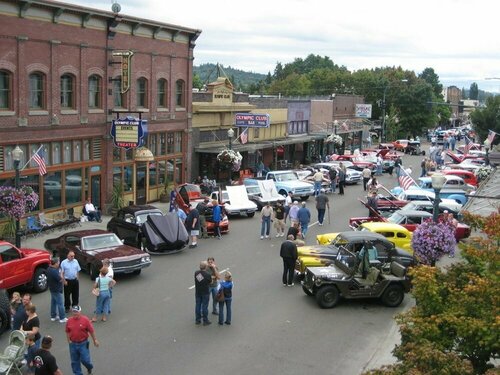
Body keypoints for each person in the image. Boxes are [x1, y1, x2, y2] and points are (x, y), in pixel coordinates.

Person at [65, 305, 98, 375]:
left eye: (76, 312)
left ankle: (89, 367)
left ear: (80, 312)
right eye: (74, 311)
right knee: (74, 361)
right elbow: (67, 331)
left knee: (85, 360)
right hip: (73, 344)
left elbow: (91, 331)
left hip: (83, 343)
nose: (75, 313)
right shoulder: (69, 321)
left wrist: (95, 340)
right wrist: (69, 341)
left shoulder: (85, 320)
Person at [46, 257, 67, 323]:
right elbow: (60, 279)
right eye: (58, 262)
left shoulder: (49, 269)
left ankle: (53, 316)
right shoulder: (54, 271)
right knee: (60, 304)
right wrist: (63, 279)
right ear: (55, 263)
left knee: (53, 303)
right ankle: (62, 318)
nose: (59, 263)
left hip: (52, 289)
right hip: (56, 289)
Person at [194, 261, 212, 326]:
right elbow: (210, 282)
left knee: (198, 305)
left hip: (198, 292)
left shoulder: (196, 273)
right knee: (204, 306)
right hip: (205, 292)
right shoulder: (207, 275)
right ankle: (205, 320)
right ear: (206, 267)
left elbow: (200, 280)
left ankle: (197, 320)